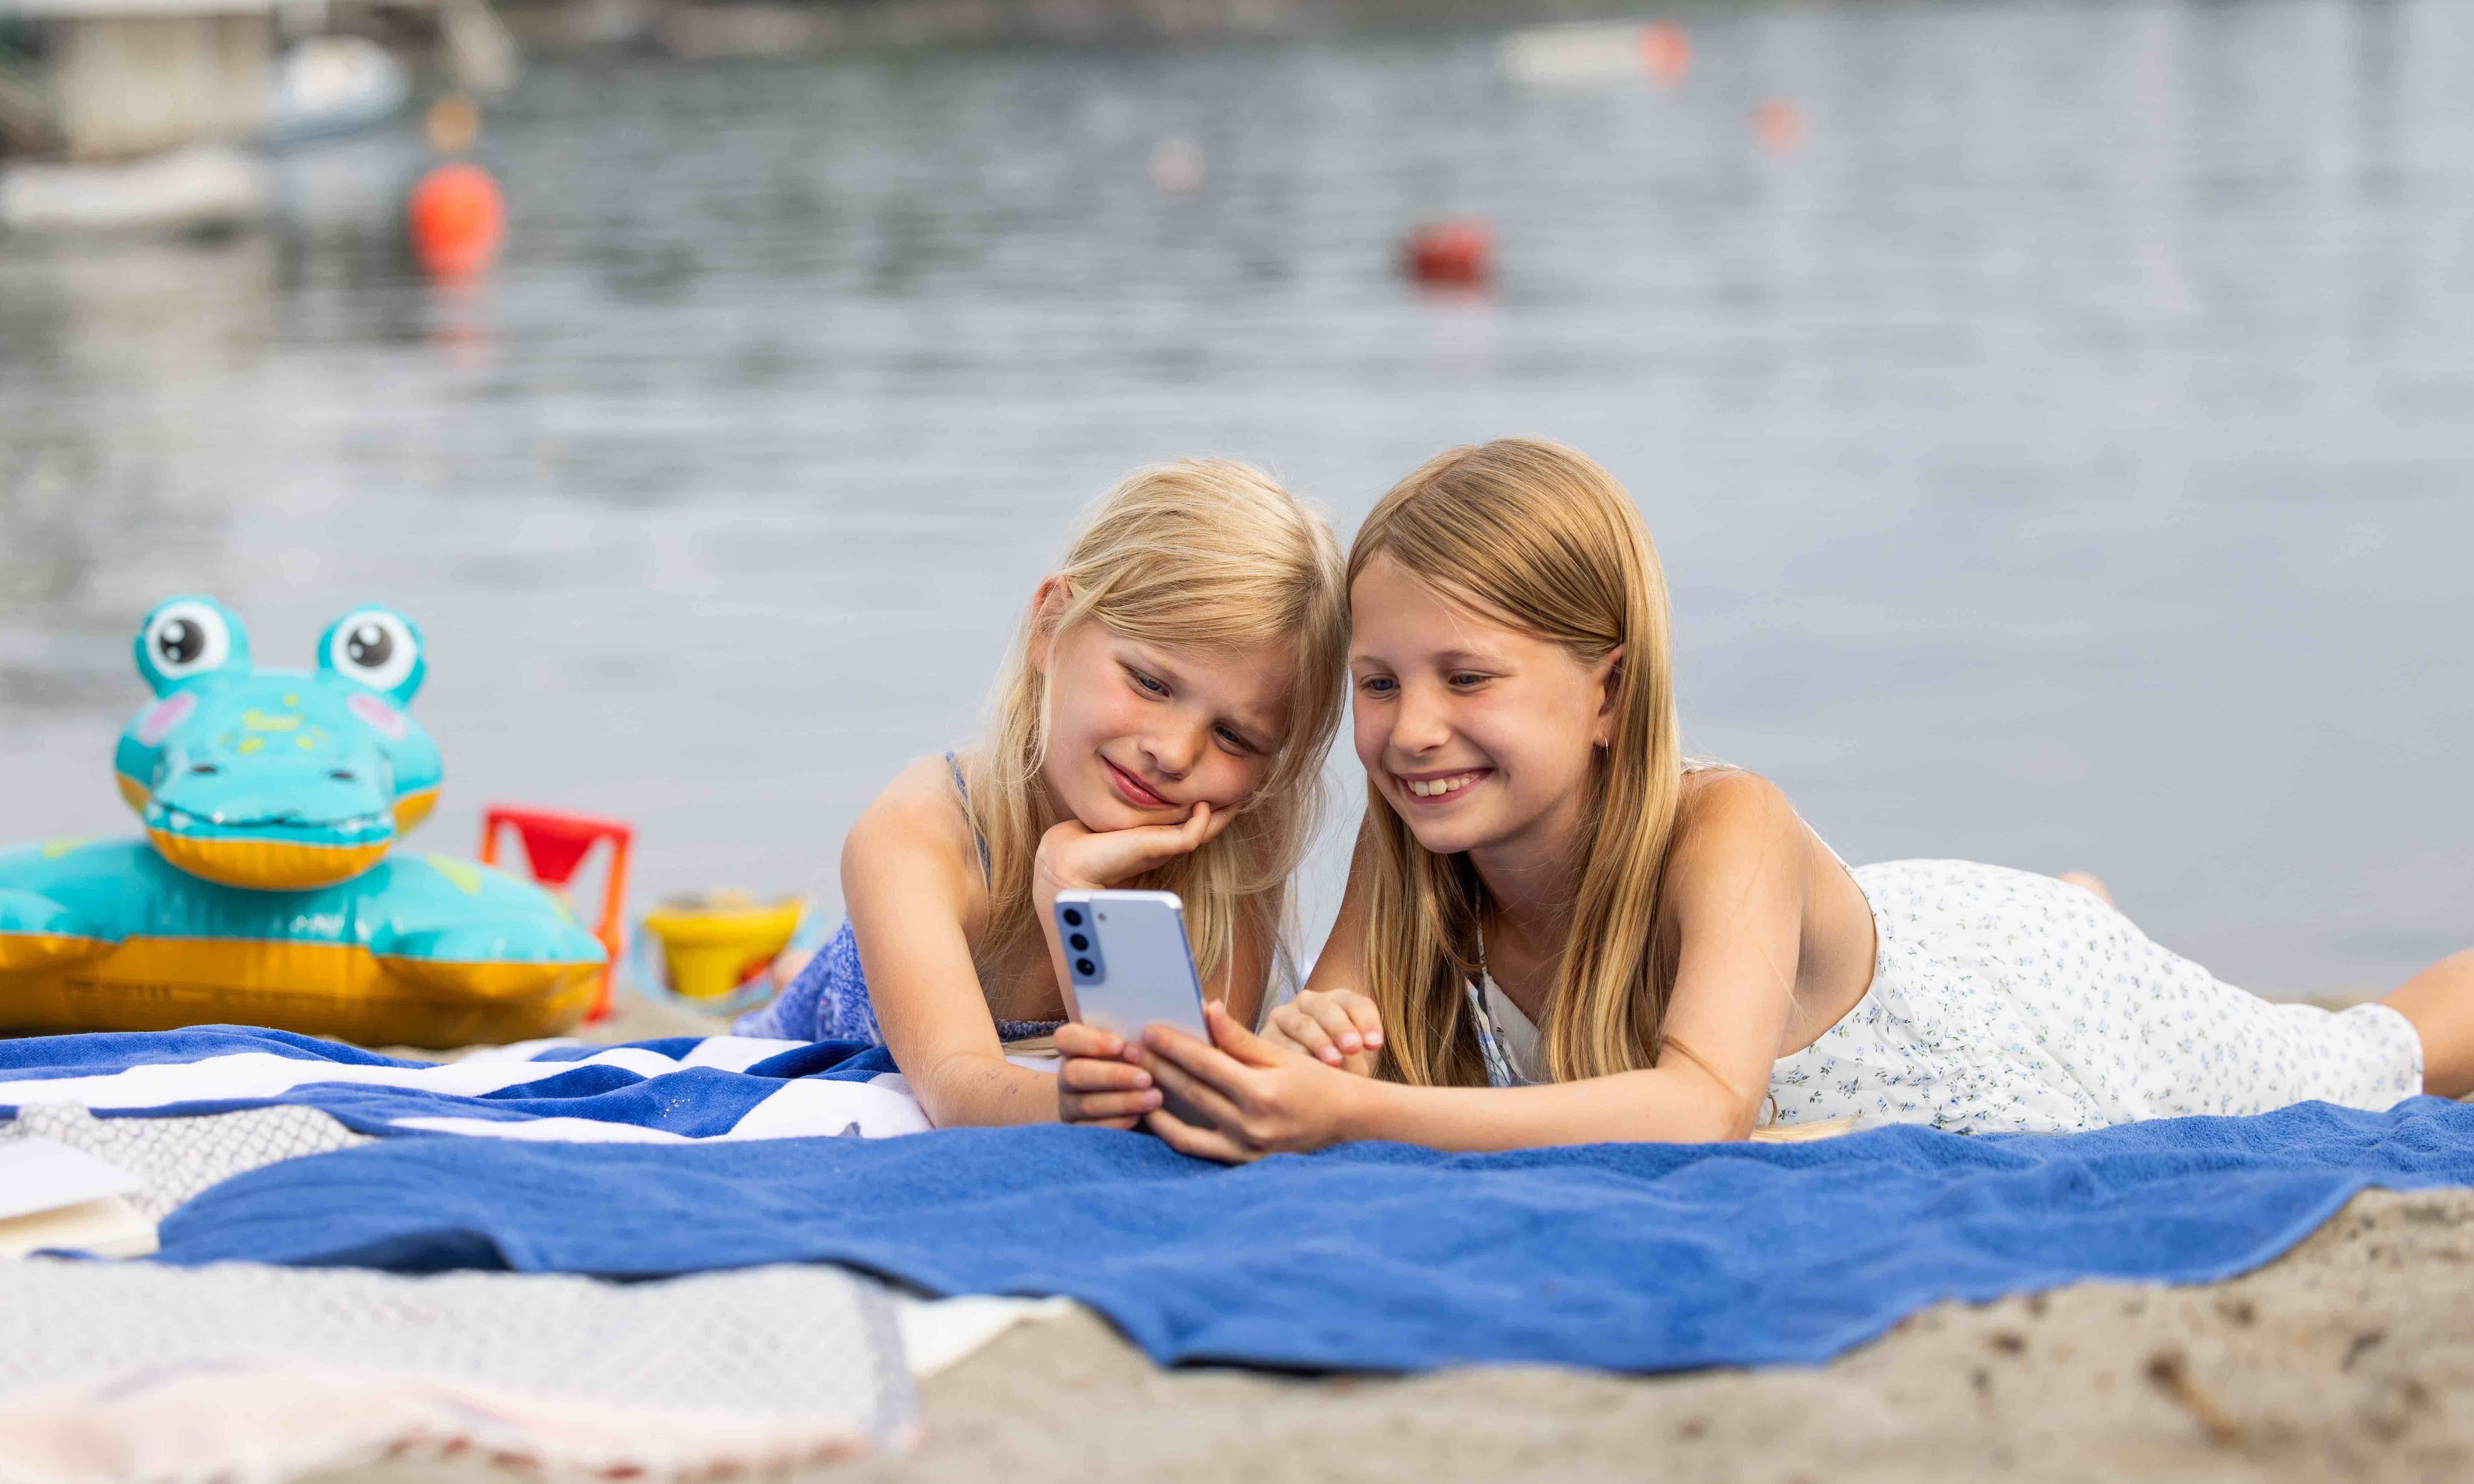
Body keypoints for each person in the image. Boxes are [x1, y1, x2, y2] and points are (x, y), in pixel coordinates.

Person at [1059, 437, 2474, 1160]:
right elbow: (1332, 1060)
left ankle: (2070, 922)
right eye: (1376, 684)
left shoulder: (1720, 825)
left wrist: (1345, 1114)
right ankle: (2067, 900)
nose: (1413, 732)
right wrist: (1311, 1038)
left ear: (1605, 691)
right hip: (1871, 931)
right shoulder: (1410, 845)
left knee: (2362, 1060)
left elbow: (1698, 1109)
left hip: (2005, 1007)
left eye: (1467, 679)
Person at [739, 459, 1348, 1129]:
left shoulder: (1236, 840)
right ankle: (792, 967)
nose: (1174, 754)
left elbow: (1179, 1097)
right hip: (822, 1033)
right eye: (1150, 683)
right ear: (1051, 625)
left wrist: (1070, 898)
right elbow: (954, 1087)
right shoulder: (920, 829)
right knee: (810, 981)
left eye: (1235, 736)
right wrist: (1074, 1103)